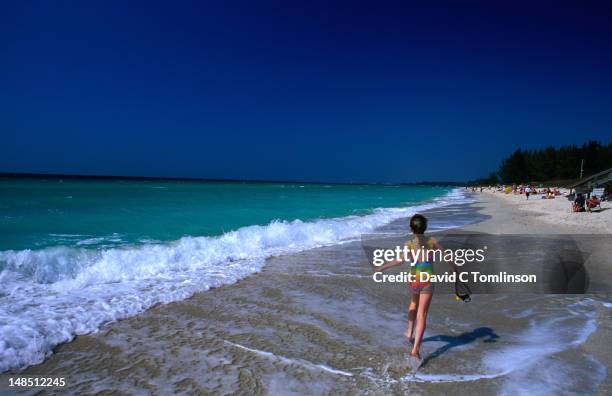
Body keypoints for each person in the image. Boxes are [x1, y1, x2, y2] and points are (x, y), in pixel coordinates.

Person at [374, 214, 457, 367]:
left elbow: (400, 261)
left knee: (413, 304)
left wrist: (382, 267)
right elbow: (447, 256)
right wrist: (455, 269)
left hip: (414, 279)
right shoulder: (432, 241)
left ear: (411, 228)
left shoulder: (409, 243)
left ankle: (409, 332)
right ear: (425, 227)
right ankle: (415, 349)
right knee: (422, 314)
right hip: (427, 281)